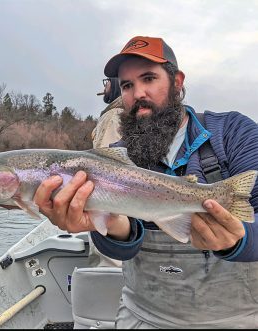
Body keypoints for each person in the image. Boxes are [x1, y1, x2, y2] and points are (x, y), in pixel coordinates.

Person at [32, 36, 258, 328]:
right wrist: (110, 228)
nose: (138, 93)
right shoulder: (116, 157)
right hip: (143, 315)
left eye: (148, 78)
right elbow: (123, 251)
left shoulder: (233, 133)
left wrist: (239, 241)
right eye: (127, 85)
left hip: (238, 319)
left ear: (177, 81)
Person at [89, 77, 124, 268]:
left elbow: (104, 168)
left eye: (107, 82)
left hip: (108, 203)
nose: (104, 86)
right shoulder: (124, 112)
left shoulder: (113, 115)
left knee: (107, 266)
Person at [91, 77, 123, 149]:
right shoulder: (118, 112)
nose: (105, 85)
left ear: (115, 83)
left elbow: (106, 153)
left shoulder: (113, 115)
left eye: (108, 80)